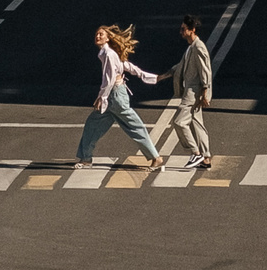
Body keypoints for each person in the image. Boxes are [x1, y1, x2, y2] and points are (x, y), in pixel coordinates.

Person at [77, 23, 162, 167]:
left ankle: (156, 157)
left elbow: (109, 79)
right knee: (93, 124)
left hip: (115, 95)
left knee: (134, 126)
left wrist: (102, 97)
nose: (98, 36)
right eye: (97, 34)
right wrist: (150, 77)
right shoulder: (108, 53)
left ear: (108, 38)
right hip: (114, 95)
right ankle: (86, 158)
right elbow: (127, 66)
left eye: (101, 34)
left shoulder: (109, 54)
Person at [153, 14, 215, 162]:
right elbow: (180, 67)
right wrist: (163, 76)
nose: (181, 31)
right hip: (193, 90)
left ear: (192, 30)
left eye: (183, 29)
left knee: (179, 122)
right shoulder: (190, 48)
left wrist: (205, 92)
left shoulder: (199, 47)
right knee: (197, 123)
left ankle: (196, 152)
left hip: (194, 92)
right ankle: (206, 157)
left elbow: (205, 70)